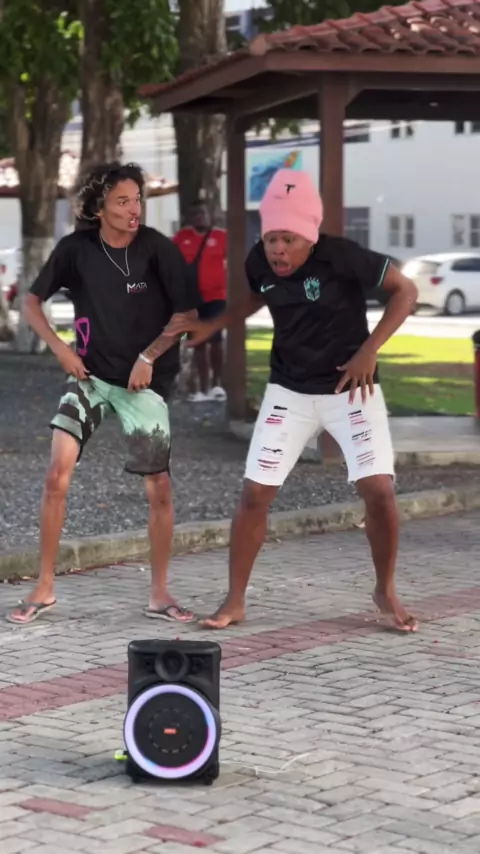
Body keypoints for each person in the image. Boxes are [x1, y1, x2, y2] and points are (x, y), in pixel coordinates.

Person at [167, 168, 419, 633]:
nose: (278, 250)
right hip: (289, 391)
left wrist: (369, 350)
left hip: (350, 389)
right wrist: (212, 325)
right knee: (254, 493)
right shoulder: (258, 262)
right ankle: (234, 600)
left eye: (288, 240)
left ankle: (385, 590)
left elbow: (406, 291)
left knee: (379, 490)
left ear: (310, 236)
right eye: (271, 239)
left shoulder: (343, 256)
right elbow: (255, 297)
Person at [7, 162, 199, 625]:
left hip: (143, 382)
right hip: (90, 378)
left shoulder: (157, 248)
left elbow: (187, 315)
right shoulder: (76, 250)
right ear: (99, 208)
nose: (135, 209)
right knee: (56, 475)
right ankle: (44, 587)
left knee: (159, 486)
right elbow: (31, 302)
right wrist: (60, 350)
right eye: (123, 201)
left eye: (138, 200)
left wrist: (148, 356)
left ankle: (159, 593)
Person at [173, 201, 227, 402]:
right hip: (192, 299)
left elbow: (237, 260)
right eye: (195, 214)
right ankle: (202, 388)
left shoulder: (221, 236)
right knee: (198, 343)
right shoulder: (182, 237)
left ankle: (217, 385)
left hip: (216, 297)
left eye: (202, 213)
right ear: (189, 218)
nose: (200, 217)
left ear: (209, 215)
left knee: (216, 341)